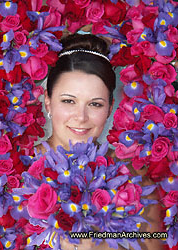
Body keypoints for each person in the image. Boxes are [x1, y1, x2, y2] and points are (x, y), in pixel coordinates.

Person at [37, 34, 163, 250]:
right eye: (68, 101)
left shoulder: (136, 181)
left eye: (95, 104)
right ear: (48, 102)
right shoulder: (14, 174)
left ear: (110, 108)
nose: (81, 117)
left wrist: (97, 244)